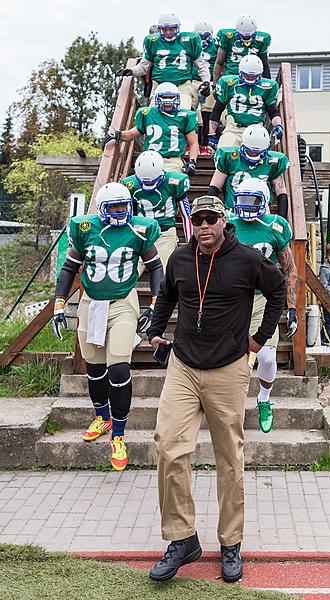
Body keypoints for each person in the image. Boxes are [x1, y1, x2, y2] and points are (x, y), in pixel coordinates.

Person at [147, 195, 286, 583]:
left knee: (230, 458)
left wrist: (257, 340)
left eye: (211, 218)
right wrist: (156, 331)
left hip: (228, 367)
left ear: (224, 221)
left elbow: (278, 291)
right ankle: (182, 539)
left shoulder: (247, 259)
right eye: (199, 219)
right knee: (168, 447)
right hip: (183, 366)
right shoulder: (179, 258)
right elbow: (169, 296)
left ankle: (230, 543)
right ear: (192, 222)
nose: (205, 225)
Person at [51, 182, 162, 471]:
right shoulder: (85, 228)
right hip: (91, 303)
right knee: (94, 367)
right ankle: (103, 416)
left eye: (123, 206)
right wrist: (59, 303)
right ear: (101, 208)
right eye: (113, 207)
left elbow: (155, 266)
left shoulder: (140, 228)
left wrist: (155, 302)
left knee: (119, 368)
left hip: (124, 302)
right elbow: (69, 268)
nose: (119, 212)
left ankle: (119, 435)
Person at [228, 177, 298, 432]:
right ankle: (226, 406)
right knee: (228, 358)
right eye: (242, 200)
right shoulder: (227, 225)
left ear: (265, 201)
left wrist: (292, 308)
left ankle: (264, 399)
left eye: (252, 200)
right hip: (231, 299)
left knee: (267, 358)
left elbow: (289, 269)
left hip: (263, 298)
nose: (246, 206)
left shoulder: (276, 226)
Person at [122, 150, 192, 324]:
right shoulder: (129, 185)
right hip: (138, 236)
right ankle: (128, 319)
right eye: (143, 182)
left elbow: (186, 216)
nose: (148, 186)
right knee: (124, 277)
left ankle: (154, 310)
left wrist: (191, 243)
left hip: (164, 234)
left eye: (152, 181)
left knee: (161, 271)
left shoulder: (174, 182)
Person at [118, 12, 211, 110]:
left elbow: (201, 66)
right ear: (159, 29)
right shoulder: (153, 42)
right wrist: (131, 71)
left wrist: (206, 81)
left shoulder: (189, 40)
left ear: (178, 28)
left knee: (183, 115)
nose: (168, 33)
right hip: (159, 86)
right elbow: (143, 67)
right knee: (154, 116)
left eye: (171, 29)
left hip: (182, 86)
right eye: (164, 29)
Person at [104, 83, 199, 175]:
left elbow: (193, 143)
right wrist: (118, 134)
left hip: (173, 161)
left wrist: (192, 162)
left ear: (177, 98)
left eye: (170, 97)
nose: (167, 101)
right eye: (164, 97)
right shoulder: (148, 114)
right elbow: (133, 133)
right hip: (150, 159)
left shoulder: (184, 116)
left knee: (174, 184)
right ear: (157, 98)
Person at [208, 124, 290, 218]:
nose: (253, 155)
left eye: (258, 153)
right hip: (233, 213)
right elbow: (214, 187)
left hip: (261, 214)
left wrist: (281, 219)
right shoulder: (229, 157)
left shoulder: (273, 162)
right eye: (250, 151)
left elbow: (281, 193)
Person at [208, 55, 283, 151]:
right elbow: (217, 109)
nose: (251, 79)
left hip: (256, 129)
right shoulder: (228, 83)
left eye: (254, 76)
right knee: (224, 152)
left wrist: (278, 125)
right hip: (233, 128)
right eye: (247, 76)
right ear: (240, 72)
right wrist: (211, 134)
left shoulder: (268, 87)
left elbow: (273, 112)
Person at [213, 14, 271, 84]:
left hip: (252, 78)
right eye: (243, 37)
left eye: (249, 37)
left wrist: (268, 85)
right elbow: (219, 63)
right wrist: (215, 85)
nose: (246, 40)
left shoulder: (261, 40)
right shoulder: (228, 37)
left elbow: (265, 65)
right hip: (232, 77)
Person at [192, 22, 218, 153]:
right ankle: (191, 142)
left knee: (208, 108)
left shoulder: (216, 46)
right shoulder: (190, 44)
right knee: (191, 109)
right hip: (192, 80)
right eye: (199, 37)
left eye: (205, 36)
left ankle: (206, 143)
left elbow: (220, 63)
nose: (202, 40)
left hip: (210, 82)